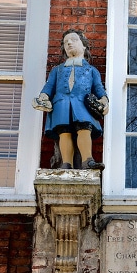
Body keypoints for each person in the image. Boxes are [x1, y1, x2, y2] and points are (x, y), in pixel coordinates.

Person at [32, 29, 109, 170]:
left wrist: (104, 99)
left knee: (85, 128)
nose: (69, 43)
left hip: (82, 103)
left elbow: (98, 88)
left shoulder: (91, 70)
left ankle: (88, 160)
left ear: (84, 45)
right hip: (61, 103)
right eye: (65, 42)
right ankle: (66, 163)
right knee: (64, 131)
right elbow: (49, 86)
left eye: (73, 39)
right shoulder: (57, 70)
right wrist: (43, 97)